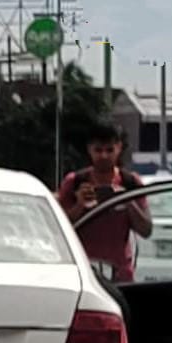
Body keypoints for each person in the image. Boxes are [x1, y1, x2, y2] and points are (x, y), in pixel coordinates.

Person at [56, 121, 154, 283]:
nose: (104, 156)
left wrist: (126, 200)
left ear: (119, 148)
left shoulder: (131, 182)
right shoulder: (74, 182)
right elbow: (59, 228)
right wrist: (80, 204)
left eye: (109, 150)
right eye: (98, 150)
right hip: (83, 271)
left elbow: (146, 230)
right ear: (89, 149)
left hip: (120, 274)